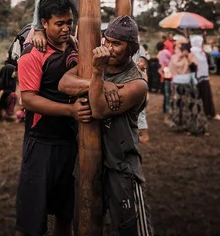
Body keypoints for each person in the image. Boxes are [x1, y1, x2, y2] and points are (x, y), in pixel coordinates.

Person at [59, 15, 153, 235]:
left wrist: (97, 74)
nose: (109, 48)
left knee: (132, 228)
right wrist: (101, 82)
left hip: (122, 166)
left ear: (132, 49)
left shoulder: (137, 83)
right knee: (84, 223)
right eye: (107, 41)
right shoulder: (96, 66)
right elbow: (64, 83)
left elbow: (100, 109)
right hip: (87, 160)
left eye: (116, 44)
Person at [15, 0, 92, 236]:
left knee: (65, 214)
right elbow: (28, 99)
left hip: (72, 143)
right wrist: (71, 110)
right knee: (31, 222)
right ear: (44, 23)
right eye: (59, 23)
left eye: (69, 22)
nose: (66, 27)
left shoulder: (75, 46)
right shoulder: (32, 54)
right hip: (42, 144)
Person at [168, 39, 208, 135]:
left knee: (193, 105)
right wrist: (181, 56)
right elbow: (172, 69)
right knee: (180, 105)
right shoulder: (174, 57)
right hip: (178, 83)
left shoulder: (192, 56)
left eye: (181, 44)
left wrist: (188, 58)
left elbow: (195, 68)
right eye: (178, 45)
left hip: (190, 83)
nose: (179, 47)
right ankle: (181, 125)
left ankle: (196, 126)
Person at [191, 35, 220, 121]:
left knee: (206, 96)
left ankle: (208, 112)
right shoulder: (193, 52)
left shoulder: (201, 52)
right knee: (202, 96)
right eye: (201, 42)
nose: (202, 44)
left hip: (203, 76)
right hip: (198, 77)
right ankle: (206, 113)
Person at [156, 41, 172, 119]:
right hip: (169, 70)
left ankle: (165, 108)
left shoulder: (158, 54)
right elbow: (171, 58)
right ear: (164, 46)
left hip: (163, 72)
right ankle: (169, 108)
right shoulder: (166, 51)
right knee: (170, 91)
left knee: (166, 92)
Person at [136, 55, 150, 144]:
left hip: (143, 97)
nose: (138, 63)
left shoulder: (142, 73)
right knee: (139, 115)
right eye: (137, 61)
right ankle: (141, 135)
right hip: (141, 96)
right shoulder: (140, 72)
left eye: (140, 62)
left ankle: (144, 136)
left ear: (145, 66)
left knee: (141, 115)